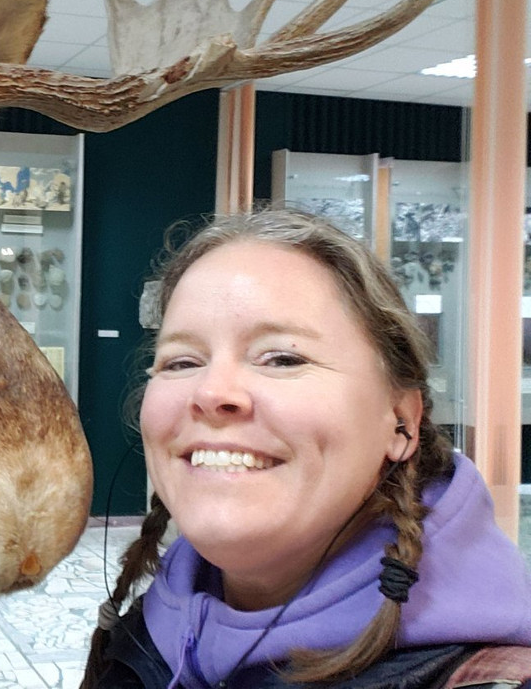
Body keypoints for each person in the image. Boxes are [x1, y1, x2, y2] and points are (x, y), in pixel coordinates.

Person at [82, 208, 531, 689]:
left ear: (401, 420)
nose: (211, 393)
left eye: (282, 358)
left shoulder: (488, 674)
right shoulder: (142, 633)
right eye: (181, 361)